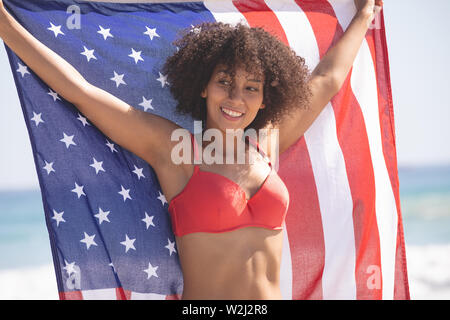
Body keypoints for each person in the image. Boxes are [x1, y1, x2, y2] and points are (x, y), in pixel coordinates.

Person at [0, 0, 383, 300]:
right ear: (203, 86)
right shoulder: (175, 151)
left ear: (265, 98)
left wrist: (365, 13)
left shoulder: (268, 144)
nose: (236, 97)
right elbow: (83, 93)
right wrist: (5, 23)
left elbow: (327, 79)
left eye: (251, 87)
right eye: (224, 82)